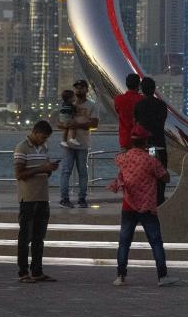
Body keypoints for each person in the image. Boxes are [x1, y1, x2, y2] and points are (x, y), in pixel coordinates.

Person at [108, 124, 179, 287]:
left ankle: (120, 275)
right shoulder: (151, 161)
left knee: (124, 242)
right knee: (155, 241)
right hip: (147, 206)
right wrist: (158, 160)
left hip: (128, 205)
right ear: (146, 141)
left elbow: (117, 159)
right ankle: (162, 276)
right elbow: (165, 177)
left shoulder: (123, 158)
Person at [14, 120, 60, 283]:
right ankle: (23, 272)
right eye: (42, 137)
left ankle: (37, 270)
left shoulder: (44, 148)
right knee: (25, 236)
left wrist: (49, 169)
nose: (44, 140)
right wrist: (42, 168)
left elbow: (43, 172)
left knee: (39, 237)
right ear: (34, 132)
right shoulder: (22, 147)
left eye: (46, 138)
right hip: (28, 198)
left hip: (43, 197)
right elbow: (19, 174)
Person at [57, 81, 97, 208]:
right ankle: (64, 198)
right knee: (65, 171)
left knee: (83, 172)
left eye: (81, 87)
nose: (78, 90)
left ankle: (82, 199)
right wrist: (66, 125)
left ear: (86, 89)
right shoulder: (68, 103)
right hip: (68, 144)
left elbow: (95, 124)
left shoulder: (92, 105)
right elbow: (58, 122)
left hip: (83, 143)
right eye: (76, 88)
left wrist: (77, 125)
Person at [133, 76, 169, 205]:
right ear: (154, 89)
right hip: (159, 141)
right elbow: (163, 121)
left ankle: (146, 197)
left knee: (145, 172)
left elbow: (136, 124)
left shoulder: (139, 105)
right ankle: (159, 198)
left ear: (142, 89)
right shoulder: (161, 105)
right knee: (161, 169)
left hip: (146, 144)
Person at [114, 73, 143, 149]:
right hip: (141, 140)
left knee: (125, 160)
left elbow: (118, 112)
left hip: (125, 140)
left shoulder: (118, 99)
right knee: (144, 160)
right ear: (138, 85)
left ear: (127, 84)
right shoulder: (142, 99)